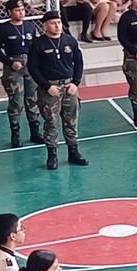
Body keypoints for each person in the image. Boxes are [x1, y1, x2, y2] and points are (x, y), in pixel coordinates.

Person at [25, 13, 87, 170]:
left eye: (59, 22)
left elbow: (79, 62)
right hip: (50, 89)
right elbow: (33, 68)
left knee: (71, 121)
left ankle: (74, 152)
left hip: (69, 87)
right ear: (45, 26)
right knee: (51, 122)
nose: (57, 26)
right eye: (53, 23)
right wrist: (46, 86)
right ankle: (52, 155)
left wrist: (75, 82)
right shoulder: (38, 44)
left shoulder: (69, 40)